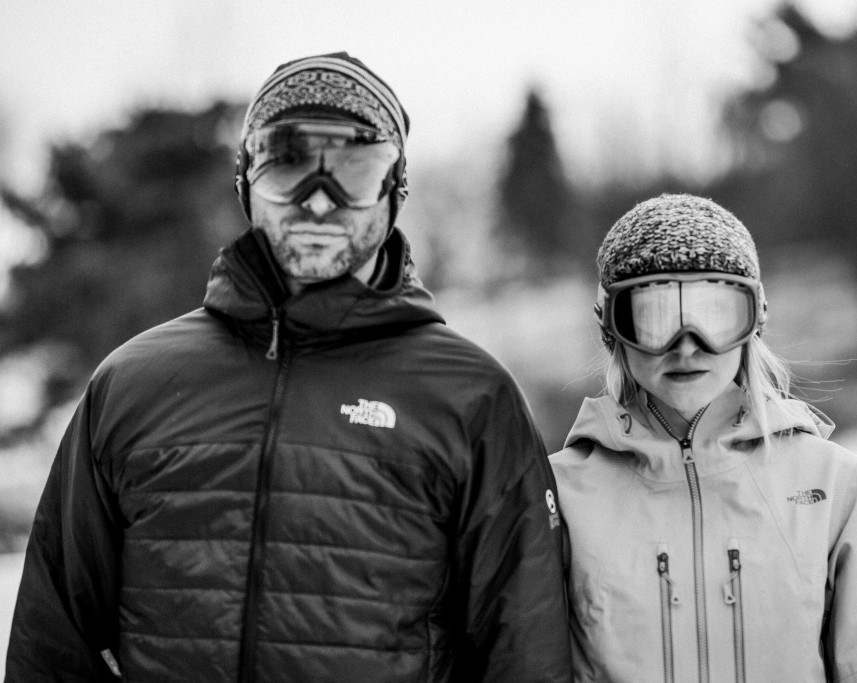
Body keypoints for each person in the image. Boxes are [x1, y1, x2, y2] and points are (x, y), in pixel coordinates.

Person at [6, 51, 572, 682]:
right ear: (247, 179)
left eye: (354, 170)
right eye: (289, 163)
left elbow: (525, 653)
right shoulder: (133, 384)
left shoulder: (471, 398)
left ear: (395, 191)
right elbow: (52, 644)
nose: (320, 203)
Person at [550, 194, 857, 682]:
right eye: (653, 316)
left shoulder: (834, 485)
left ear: (754, 320)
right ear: (613, 326)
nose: (686, 345)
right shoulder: (559, 496)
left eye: (715, 314)